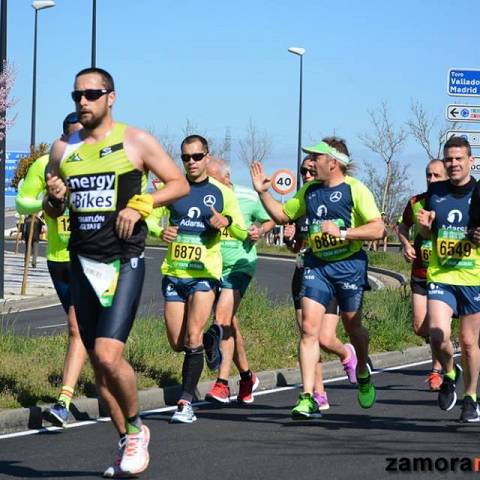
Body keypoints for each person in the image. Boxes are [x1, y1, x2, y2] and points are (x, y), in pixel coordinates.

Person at [43, 67, 189, 477]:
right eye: (77, 95)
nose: (83, 102)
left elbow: (177, 183)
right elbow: (52, 208)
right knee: (98, 363)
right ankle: (125, 440)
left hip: (124, 259)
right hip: (82, 261)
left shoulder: (135, 140)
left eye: (91, 94)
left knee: (109, 354)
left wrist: (141, 204)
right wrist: (54, 199)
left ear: (111, 97)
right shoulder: (62, 149)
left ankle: (138, 429)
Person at [250, 137, 384, 418]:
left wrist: (343, 233)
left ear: (332, 163)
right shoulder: (310, 190)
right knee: (310, 329)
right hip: (317, 266)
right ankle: (308, 396)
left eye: (316, 157)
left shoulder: (355, 190)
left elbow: (377, 229)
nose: (311, 163)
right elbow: (283, 215)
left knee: (353, 326)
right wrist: (263, 194)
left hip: (349, 266)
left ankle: (361, 368)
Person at [151, 135, 246, 423]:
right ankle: (208, 340)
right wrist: (159, 231)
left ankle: (185, 402)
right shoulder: (173, 188)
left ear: (207, 157)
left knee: (191, 334)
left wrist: (226, 222)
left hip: (204, 275)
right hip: (174, 273)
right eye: (185, 158)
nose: (191, 162)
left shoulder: (221, 192)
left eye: (196, 156)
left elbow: (242, 230)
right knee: (177, 343)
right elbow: (148, 215)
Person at [16, 112, 87, 427]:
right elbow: (22, 201)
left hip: (90, 258)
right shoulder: (45, 164)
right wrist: (46, 201)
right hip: (58, 259)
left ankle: (64, 400)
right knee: (85, 331)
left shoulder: (98, 164)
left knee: (77, 328)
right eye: (73, 136)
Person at [283, 156, 358, 412]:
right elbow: (296, 246)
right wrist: (290, 239)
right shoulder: (303, 203)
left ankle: (346, 353)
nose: (306, 174)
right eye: (303, 170)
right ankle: (317, 393)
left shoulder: (335, 197)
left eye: (310, 169)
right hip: (304, 274)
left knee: (325, 338)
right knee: (308, 334)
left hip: (330, 273)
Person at [418, 136, 479, 422]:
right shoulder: (436, 191)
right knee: (437, 332)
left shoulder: (478, 192)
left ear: (471, 161)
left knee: (468, 342)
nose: (453, 163)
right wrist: (426, 229)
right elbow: (429, 232)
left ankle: (471, 398)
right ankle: (450, 373)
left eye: (459, 158)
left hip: (472, 276)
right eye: (449, 159)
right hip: (441, 274)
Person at [204, 156, 275, 404]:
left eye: (213, 178)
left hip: (239, 265)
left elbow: (271, 217)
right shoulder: (205, 197)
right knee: (230, 322)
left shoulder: (246, 196)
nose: (209, 183)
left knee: (221, 320)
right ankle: (247, 376)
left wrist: (260, 230)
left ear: (227, 177)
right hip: (211, 266)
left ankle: (222, 384)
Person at [397, 159, 448, 391]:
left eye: (437, 175)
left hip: (446, 275)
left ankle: (437, 369)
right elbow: (402, 227)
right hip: (419, 271)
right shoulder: (416, 202)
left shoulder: (451, 202)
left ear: (447, 177)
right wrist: (406, 244)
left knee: (438, 328)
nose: (432, 179)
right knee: (420, 327)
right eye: (429, 175)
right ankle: (446, 355)